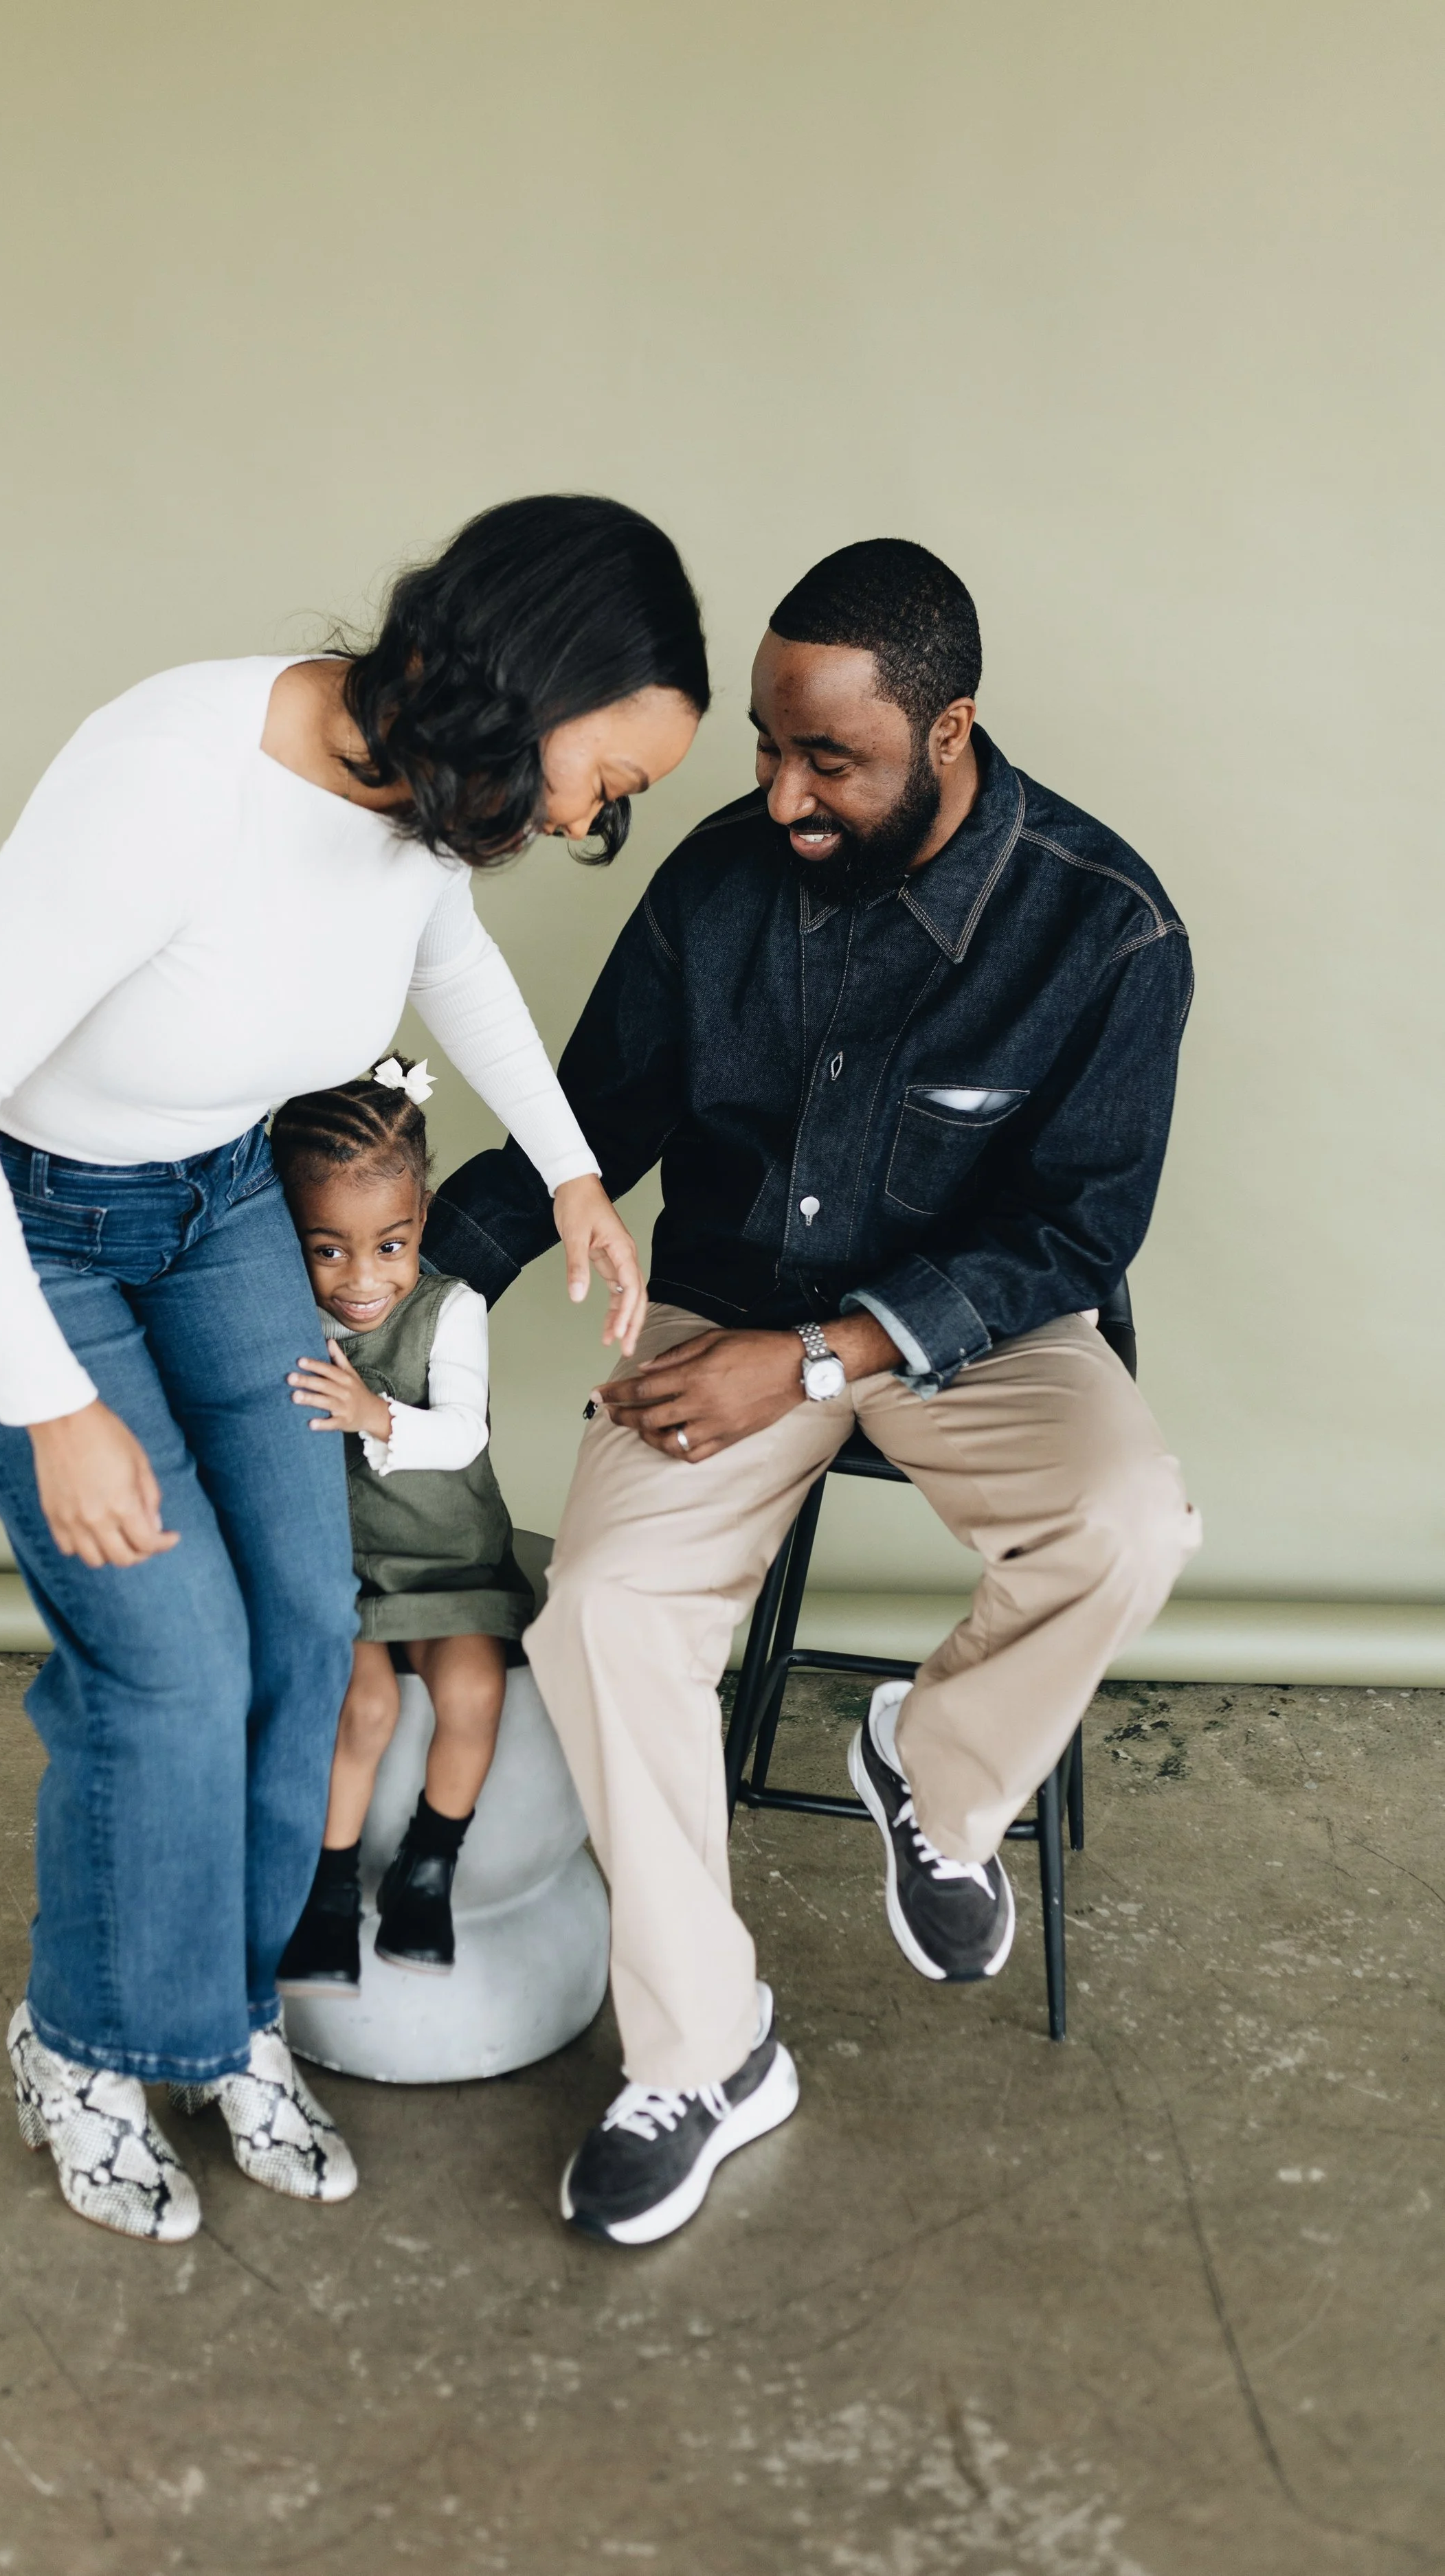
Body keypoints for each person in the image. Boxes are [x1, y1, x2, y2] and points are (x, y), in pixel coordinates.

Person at [0, 495, 707, 2243]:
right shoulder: (176, 772)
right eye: (605, 774)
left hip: (219, 1199)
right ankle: (88, 2043)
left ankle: (223, 2013)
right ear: (532, 685)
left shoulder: (424, 805)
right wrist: (52, 1399)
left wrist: (564, 1170)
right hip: (22, 1227)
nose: (594, 816)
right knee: (170, 1658)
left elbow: (443, 958)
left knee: (311, 1626)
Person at [425, 538, 1202, 2246]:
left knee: (1128, 1520)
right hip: (722, 1317)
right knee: (603, 1608)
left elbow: (1071, 1231)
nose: (778, 794)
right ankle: (707, 2052)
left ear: (948, 733)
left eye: (824, 759)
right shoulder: (717, 880)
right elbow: (595, 1114)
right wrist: (414, 1274)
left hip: (972, 1328)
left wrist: (835, 1348)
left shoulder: (1106, 925)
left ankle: (930, 1774)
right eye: (765, 750)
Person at [267, 1054, 530, 1991]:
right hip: (345, 1572)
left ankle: (430, 1864)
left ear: (420, 1225)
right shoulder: (284, 1315)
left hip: (449, 1563)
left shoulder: (450, 1309)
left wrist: (372, 1410)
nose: (360, 1277)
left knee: (473, 1694)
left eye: (390, 1244)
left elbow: (461, 1433)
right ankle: (329, 1888)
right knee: (362, 1705)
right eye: (326, 1247)